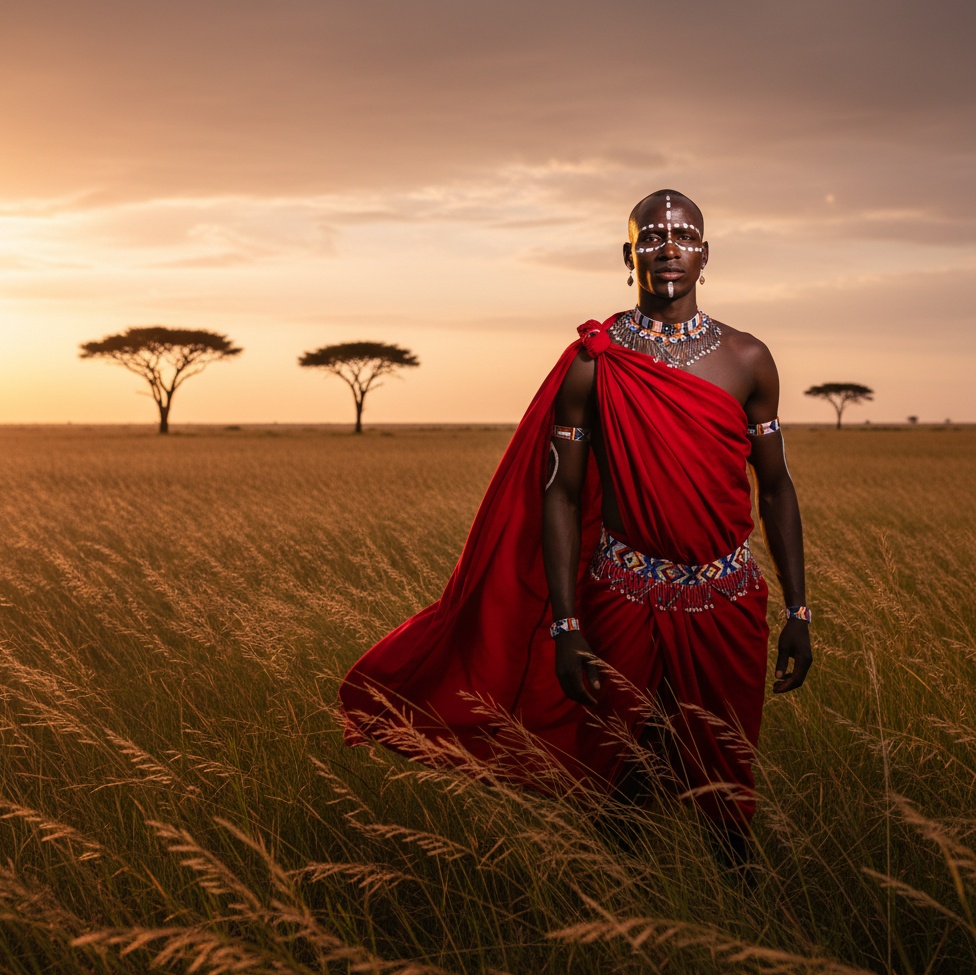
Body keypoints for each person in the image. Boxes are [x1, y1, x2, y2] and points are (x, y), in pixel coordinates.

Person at [340, 189, 811, 855]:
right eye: (651, 236)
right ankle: (624, 923)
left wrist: (799, 610)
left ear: (706, 255)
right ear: (629, 255)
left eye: (682, 236)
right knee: (618, 783)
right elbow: (559, 497)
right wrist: (566, 625)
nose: (667, 247)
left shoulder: (748, 359)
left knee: (727, 788)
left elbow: (777, 485)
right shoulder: (596, 361)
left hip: (726, 602)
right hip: (620, 599)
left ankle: (738, 908)